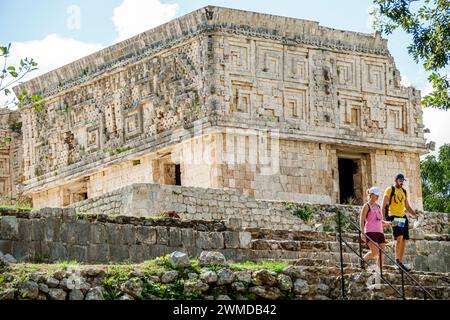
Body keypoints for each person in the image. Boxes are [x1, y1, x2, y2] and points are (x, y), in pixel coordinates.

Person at [381, 173, 420, 272]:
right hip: (394, 216)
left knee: (404, 240)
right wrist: (383, 219)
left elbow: (407, 206)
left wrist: (415, 215)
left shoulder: (404, 191)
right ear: (396, 180)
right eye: (400, 180)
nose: (402, 182)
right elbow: (383, 204)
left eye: (403, 180)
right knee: (399, 237)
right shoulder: (390, 189)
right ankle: (397, 261)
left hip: (403, 217)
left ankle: (400, 262)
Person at [360, 187, 390, 270]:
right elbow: (362, 220)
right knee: (375, 252)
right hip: (370, 232)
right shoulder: (366, 206)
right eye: (376, 195)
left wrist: (390, 223)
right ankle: (363, 259)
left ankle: (379, 271)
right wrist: (362, 233)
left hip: (380, 232)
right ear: (371, 195)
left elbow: (381, 221)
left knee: (382, 253)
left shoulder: (378, 207)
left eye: (378, 195)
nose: (378, 196)